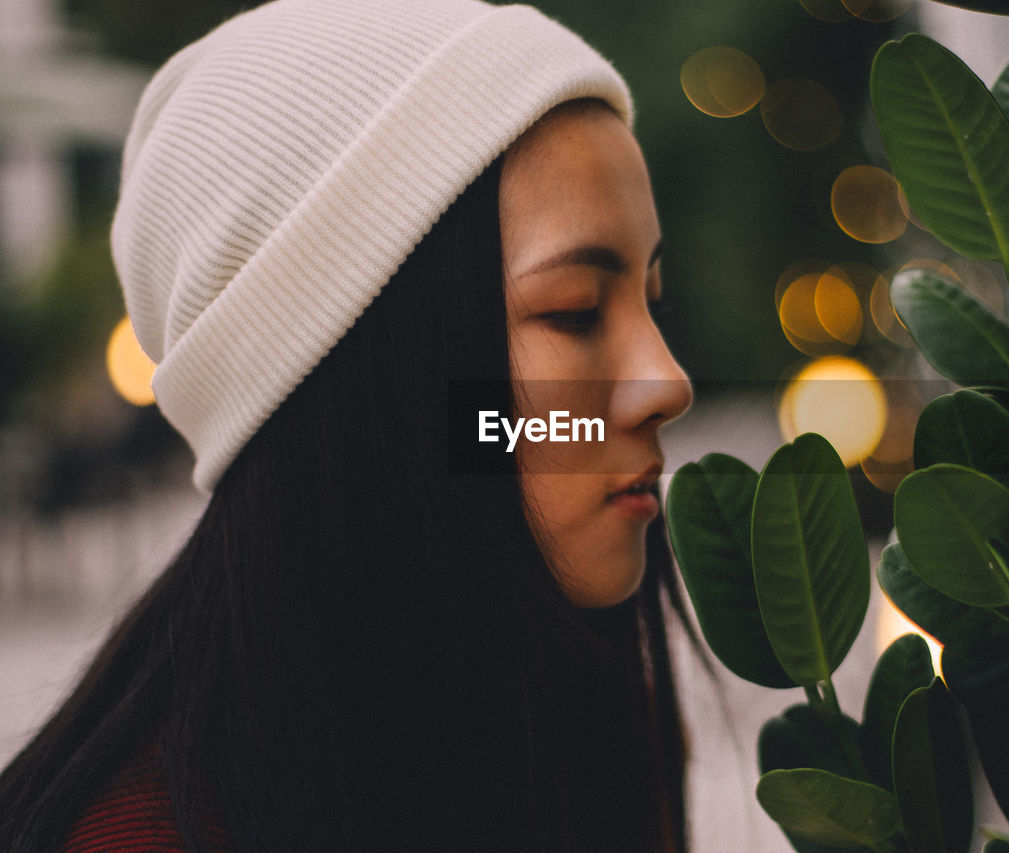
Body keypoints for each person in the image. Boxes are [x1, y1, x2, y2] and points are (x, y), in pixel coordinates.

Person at [0, 0, 696, 850]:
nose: (666, 381)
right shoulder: (139, 834)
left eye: (652, 302)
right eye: (576, 311)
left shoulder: (583, 723)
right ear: (355, 376)